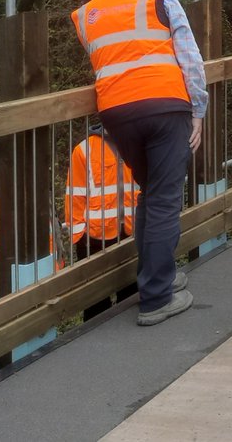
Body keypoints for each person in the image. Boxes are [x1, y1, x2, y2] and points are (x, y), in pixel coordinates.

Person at [71, 0, 207, 326]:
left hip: (115, 112)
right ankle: (156, 297)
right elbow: (190, 59)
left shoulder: (85, 16)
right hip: (166, 105)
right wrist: (199, 110)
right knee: (165, 199)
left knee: (151, 193)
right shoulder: (161, 2)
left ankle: (154, 279)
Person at [65, 125, 140, 319]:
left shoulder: (136, 141)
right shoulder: (85, 149)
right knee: (95, 303)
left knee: (131, 297)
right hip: (94, 238)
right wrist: (79, 235)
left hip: (132, 232)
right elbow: (74, 195)